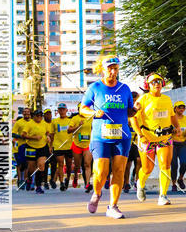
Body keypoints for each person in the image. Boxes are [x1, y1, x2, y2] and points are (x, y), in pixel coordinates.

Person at [80, 57, 136, 218]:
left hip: (122, 135)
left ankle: (113, 206)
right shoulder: (95, 87)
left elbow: (129, 111)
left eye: (115, 68)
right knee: (101, 172)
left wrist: (136, 110)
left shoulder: (124, 88)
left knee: (119, 170)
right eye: (110, 68)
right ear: (103, 69)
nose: (113, 71)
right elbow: (83, 109)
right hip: (100, 136)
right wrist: (93, 113)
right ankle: (97, 194)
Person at [131, 73, 178, 206]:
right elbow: (133, 118)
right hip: (147, 138)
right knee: (147, 168)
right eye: (153, 82)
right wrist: (140, 135)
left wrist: (177, 127)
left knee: (165, 165)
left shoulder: (167, 99)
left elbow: (172, 115)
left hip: (165, 138)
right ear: (148, 85)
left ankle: (163, 195)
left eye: (159, 81)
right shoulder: (143, 99)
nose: (156, 84)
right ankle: (140, 183)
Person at [21, 108, 52, 194]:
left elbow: (47, 133)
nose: (39, 117)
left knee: (41, 166)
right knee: (31, 168)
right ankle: (29, 179)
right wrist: (33, 137)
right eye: (37, 116)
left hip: (42, 147)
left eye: (41, 116)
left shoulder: (44, 124)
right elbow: (23, 135)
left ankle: (38, 186)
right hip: (31, 147)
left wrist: (48, 137)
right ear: (33, 116)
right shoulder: (29, 124)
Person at [68, 105, 93, 190]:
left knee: (87, 164)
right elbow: (69, 130)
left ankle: (88, 183)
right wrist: (78, 126)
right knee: (77, 166)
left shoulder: (90, 118)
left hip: (88, 144)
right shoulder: (75, 118)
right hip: (77, 144)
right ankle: (75, 177)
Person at [50, 103, 73, 191]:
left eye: (63, 109)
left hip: (69, 145)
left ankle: (67, 178)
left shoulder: (70, 120)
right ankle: (61, 182)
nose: (62, 111)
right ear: (58, 111)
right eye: (60, 109)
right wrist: (51, 146)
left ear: (66, 110)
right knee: (60, 164)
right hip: (58, 146)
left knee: (69, 165)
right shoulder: (55, 121)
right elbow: (52, 134)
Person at [171, 101, 186, 192]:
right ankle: (174, 184)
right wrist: (173, 132)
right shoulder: (170, 119)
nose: (181, 109)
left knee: (183, 163)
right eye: (179, 107)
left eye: (183, 107)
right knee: (174, 165)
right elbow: (166, 130)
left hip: (183, 144)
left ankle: (180, 178)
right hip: (173, 144)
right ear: (175, 109)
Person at [13, 107, 31, 188]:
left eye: (27, 112)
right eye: (24, 112)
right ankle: (20, 180)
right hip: (21, 146)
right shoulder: (19, 122)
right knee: (21, 164)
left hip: (31, 145)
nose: (26, 113)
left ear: (30, 113)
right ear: (22, 113)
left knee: (28, 164)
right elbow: (13, 133)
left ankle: (26, 180)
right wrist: (21, 137)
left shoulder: (33, 122)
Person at [43, 109, 57, 188]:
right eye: (46, 114)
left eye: (49, 114)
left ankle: (52, 179)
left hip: (54, 146)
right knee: (45, 164)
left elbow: (54, 134)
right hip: (45, 146)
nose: (48, 115)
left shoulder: (53, 123)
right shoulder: (43, 123)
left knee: (54, 164)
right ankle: (45, 181)